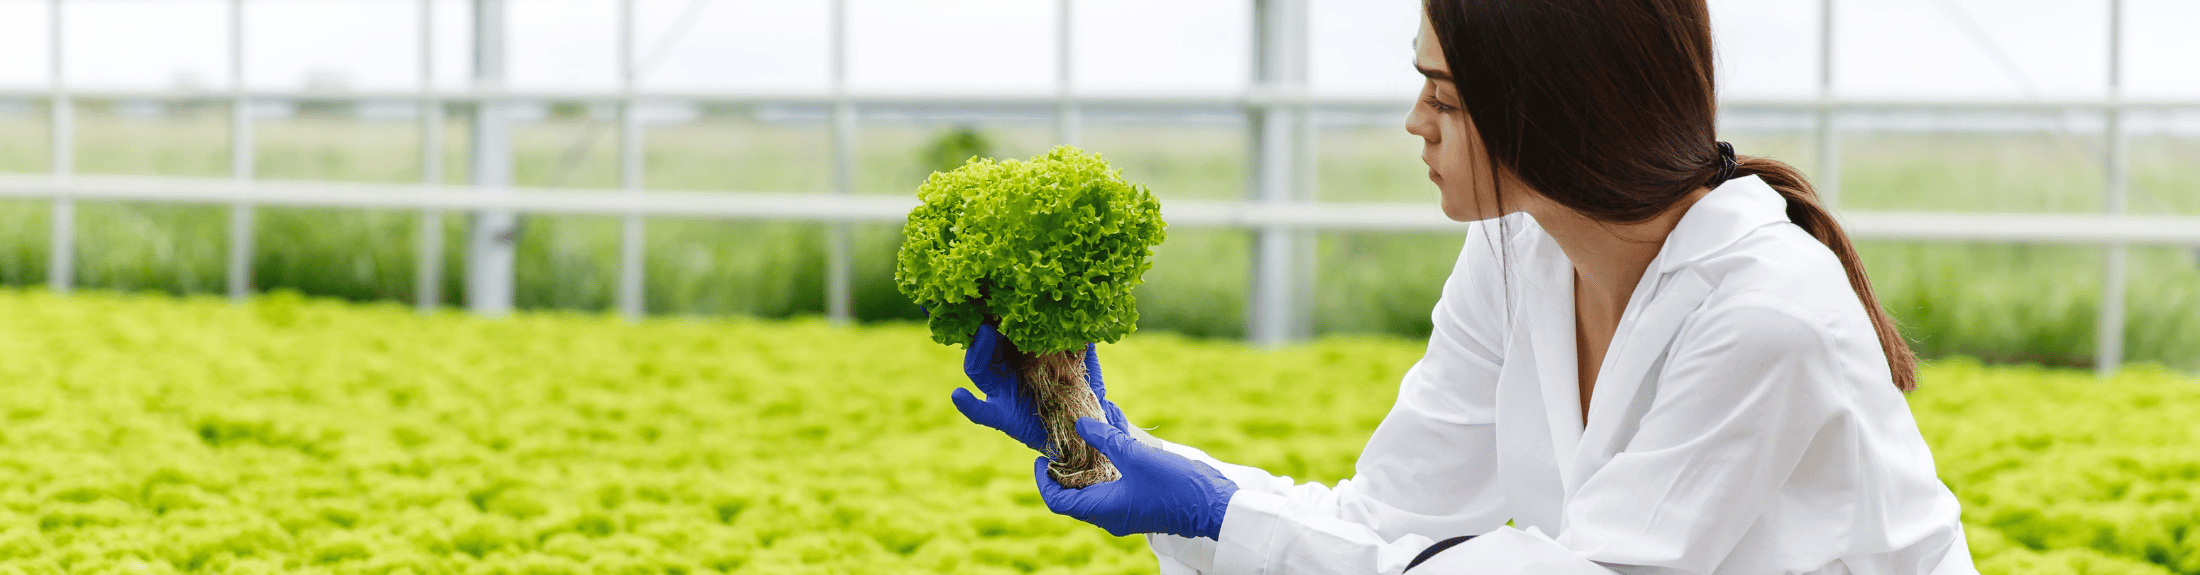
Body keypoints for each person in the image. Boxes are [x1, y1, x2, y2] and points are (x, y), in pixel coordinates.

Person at [950, 0, 1976, 573]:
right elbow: (1391, 517)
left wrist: (1221, 511)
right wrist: (1129, 460)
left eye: (1442, 94)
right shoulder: (1518, 253)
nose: (1415, 123)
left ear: (1554, 110)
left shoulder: (1765, 310)